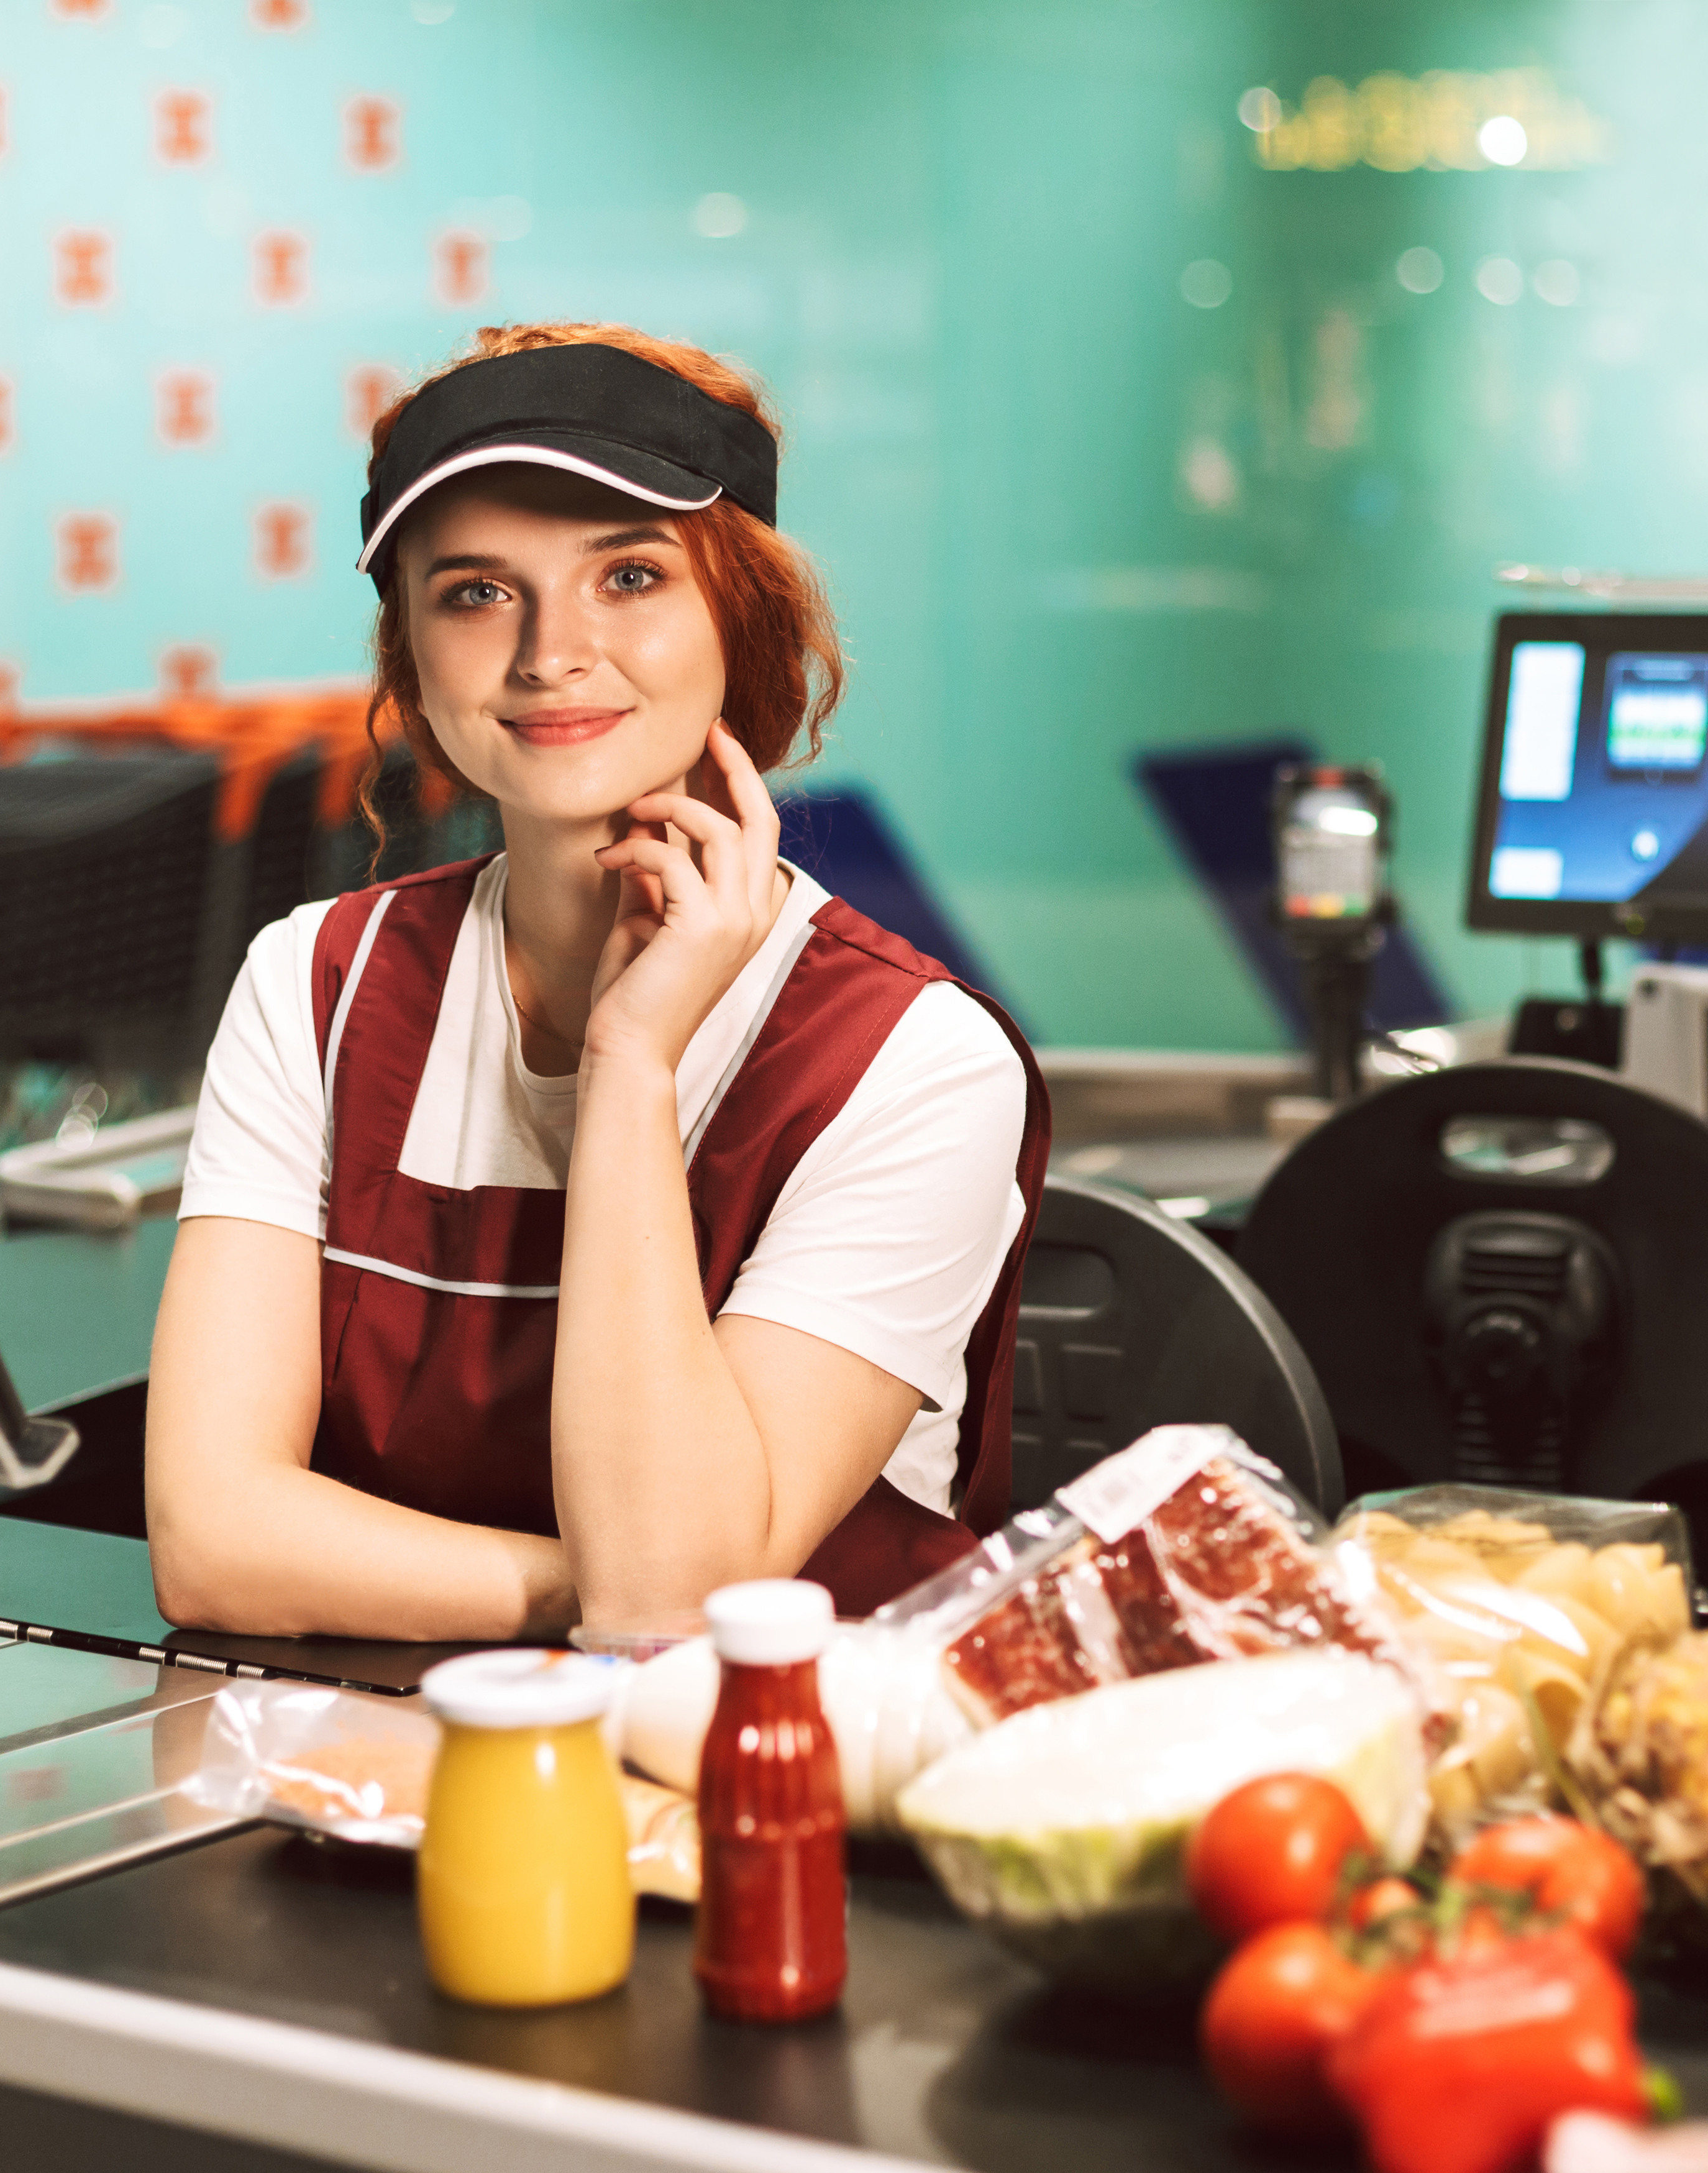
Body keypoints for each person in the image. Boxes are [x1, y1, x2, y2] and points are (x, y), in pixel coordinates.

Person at [144, 323, 1045, 1643]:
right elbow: (214, 1546)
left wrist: (630, 1062)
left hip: (775, 1794)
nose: (550, 653)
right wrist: (606, 1581)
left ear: (744, 619)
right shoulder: (315, 986)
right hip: (390, 1761)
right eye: (474, 592)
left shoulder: (912, 1060)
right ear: (408, 654)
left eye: (629, 577)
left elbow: (671, 1611)